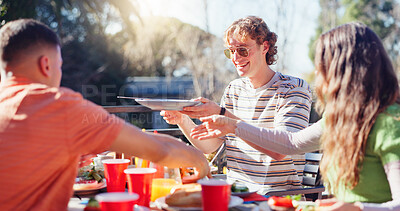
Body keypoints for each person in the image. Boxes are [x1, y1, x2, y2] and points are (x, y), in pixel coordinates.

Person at [0, 19, 210, 211]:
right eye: (59, 66)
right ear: (46, 64)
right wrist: (199, 159)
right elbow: (159, 150)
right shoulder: (56, 105)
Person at [190, 22, 400, 210]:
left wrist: (357, 208)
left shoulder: (390, 124)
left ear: (349, 71)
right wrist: (228, 125)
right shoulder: (340, 119)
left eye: (324, 65)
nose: (318, 74)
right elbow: (290, 143)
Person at [161, 16, 312, 193]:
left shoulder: (293, 88)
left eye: (242, 50)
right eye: (230, 51)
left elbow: (282, 150)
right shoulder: (234, 89)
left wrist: (223, 114)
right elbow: (211, 145)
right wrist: (183, 119)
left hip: (275, 198)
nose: (235, 58)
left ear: (265, 46)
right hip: (235, 195)